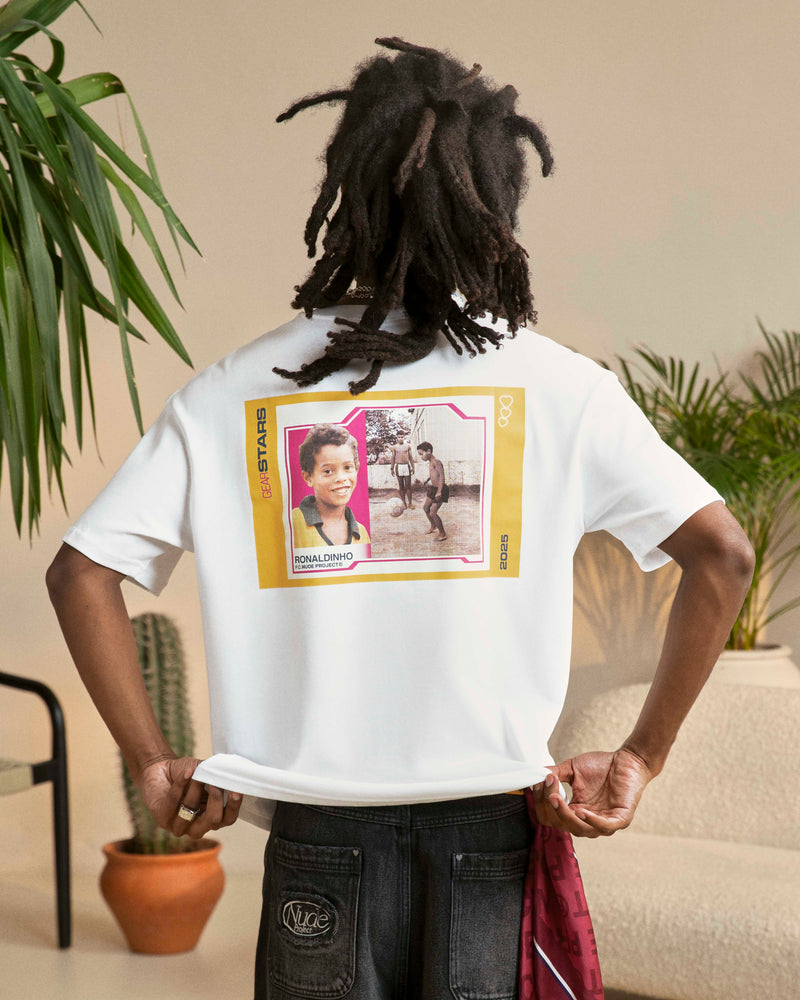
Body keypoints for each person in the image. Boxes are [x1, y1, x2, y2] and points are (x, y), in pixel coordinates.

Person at [46, 36, 754, 1000]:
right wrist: (642, 757)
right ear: (496, 201)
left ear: (349, 192)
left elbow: (79, 571)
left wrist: (150, 761)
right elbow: (724, 554)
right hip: (491, 834)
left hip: (316, 841)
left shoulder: (237, 390)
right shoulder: (561, 387)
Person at [292, 423, 370, 547]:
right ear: (308, 477)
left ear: (356, 469)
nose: (341, 478)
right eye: (328, 471)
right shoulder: (293, 523)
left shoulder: (361, 533)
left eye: (347, 467)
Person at [417, 440, 449, 540]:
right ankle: (433, 525)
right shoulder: (431, 462)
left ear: (428, 451)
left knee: (433, 512)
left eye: (421, 454)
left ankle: (443, 534)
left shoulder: (436, 462)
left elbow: (442, 476)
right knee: (426, 508)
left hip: (440, 489)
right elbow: (434, 474)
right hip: (433, 489)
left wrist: (439, 492)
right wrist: (427, 480)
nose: (421, 457)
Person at [390, 432, 416, 509]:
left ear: (404, 437)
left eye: (402, 437)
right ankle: (403, 503)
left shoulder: (408, 446)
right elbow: (393, 458)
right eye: (399, 437)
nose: (400, 438)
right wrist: (392, 468)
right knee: (401, 485)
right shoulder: (394, 447)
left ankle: (410, 503)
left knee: (408, 485)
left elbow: (410, 457)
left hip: (406, 466)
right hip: (399, 466)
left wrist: (413, 467)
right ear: (397, 438)